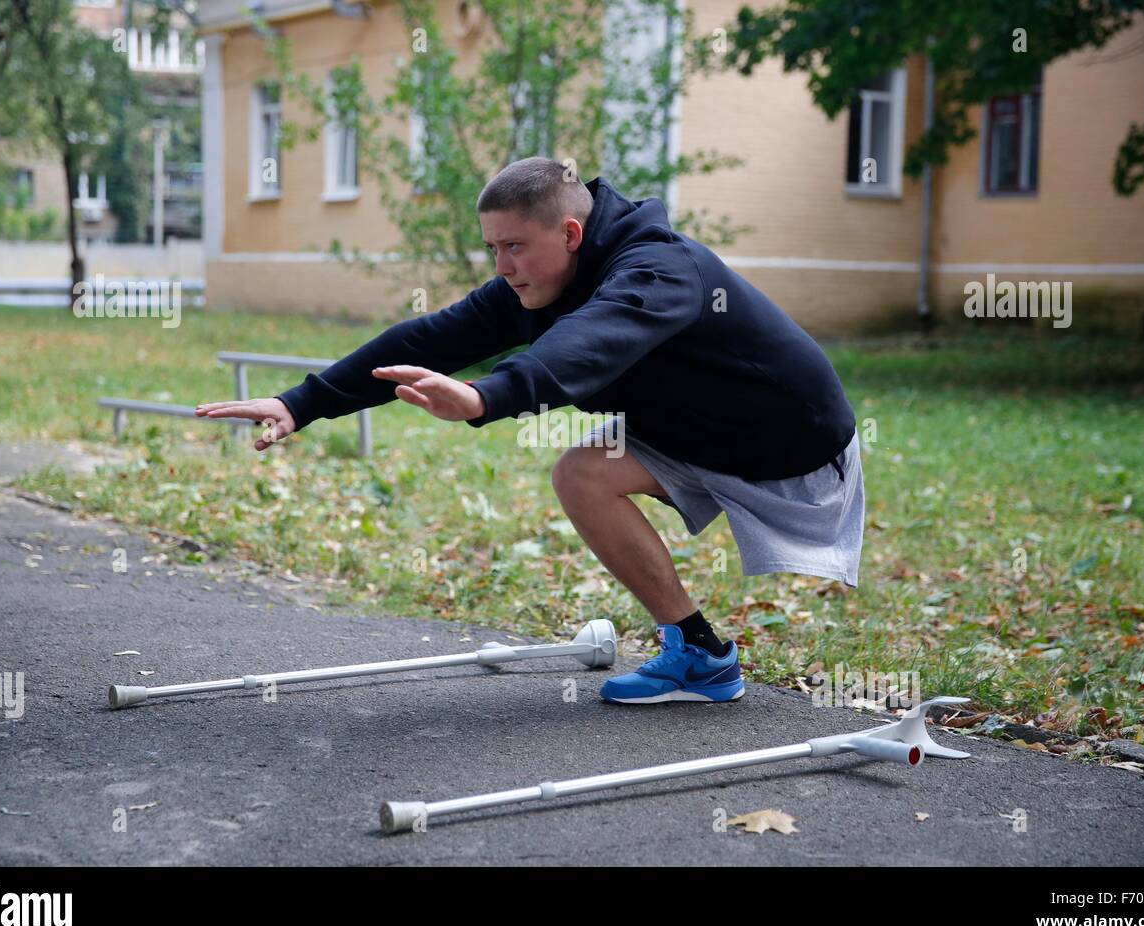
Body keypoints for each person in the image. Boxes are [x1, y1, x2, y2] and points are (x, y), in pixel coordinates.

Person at [195, 156, 863, 705]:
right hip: (696, 431)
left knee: (585, 459)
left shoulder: (658, 269)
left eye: (515, 247)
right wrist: (302, 403)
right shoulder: (533, 285)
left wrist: (488, 397)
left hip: (788, 439)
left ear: (570, 234)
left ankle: (701, 656)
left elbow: (588, 343)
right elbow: (433, 335)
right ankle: (700, 654)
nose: (502, 266)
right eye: (492, 248)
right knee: (580, 473)